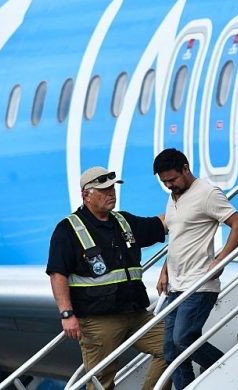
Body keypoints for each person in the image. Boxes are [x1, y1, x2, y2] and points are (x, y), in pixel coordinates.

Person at [46, 166, 168, 390]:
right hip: (99, 321)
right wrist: (67, 314)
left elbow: (161, 224)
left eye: (112, 188)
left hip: (135, 314)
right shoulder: (68, 230)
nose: (111, 192)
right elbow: (57, 274)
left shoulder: (124, 221)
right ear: (86, 195)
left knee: (170, 347)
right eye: (104, 190)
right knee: (101, 381)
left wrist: (189, 207)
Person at [153, 148, 238, 390]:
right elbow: (178, 238)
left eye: (172, 179)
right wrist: (164, 270)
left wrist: (221, 260)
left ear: (186, 169)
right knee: (171, 351)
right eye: (164, 182)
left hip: (199, 284)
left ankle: (234, 373)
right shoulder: (173, 197)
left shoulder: (207, 193)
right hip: (175, 285)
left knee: (184, 338)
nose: (169, 185)